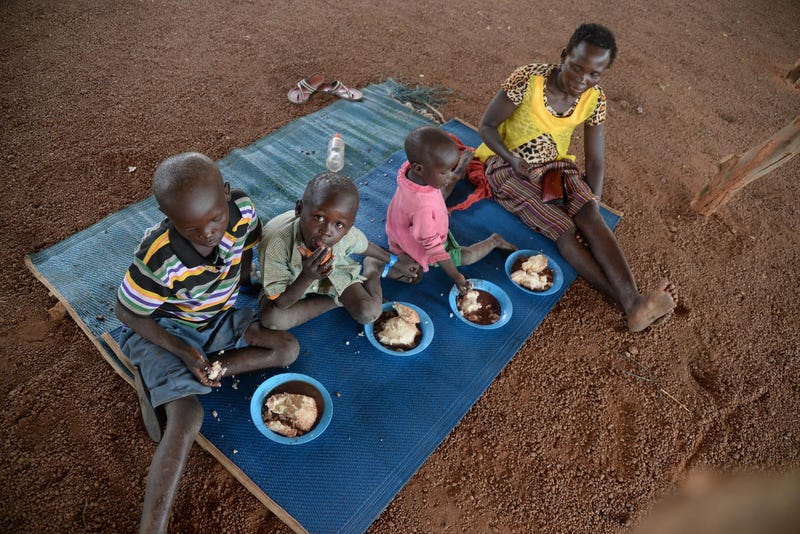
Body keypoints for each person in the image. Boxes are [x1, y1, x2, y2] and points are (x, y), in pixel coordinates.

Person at [115, 152, 299, 534]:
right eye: (191, 229)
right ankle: (152, 527)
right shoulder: (158, 256)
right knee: (189, 417)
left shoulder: (243, 210)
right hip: (166, 328)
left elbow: (249, 241)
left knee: (286, 349)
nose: (209, 233)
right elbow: (127, 313)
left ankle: (200, 371)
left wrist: (247, 281)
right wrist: (183, 350)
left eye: (216, 218)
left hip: (214, 318)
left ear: (227, 194)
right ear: (171, 222)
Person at [476, 22, 677, 332]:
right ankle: (630, 303)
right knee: (565, 229)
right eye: (576, 67)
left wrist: (592, 203)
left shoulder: (594, 99)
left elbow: (596, 159)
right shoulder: (527, 80)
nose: (582, 79)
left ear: (603, 75)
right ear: (563, 56)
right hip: (507, 165)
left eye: (594, 74)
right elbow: (487, 126)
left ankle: (635, 303)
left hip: (557, 166)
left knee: (589, 217)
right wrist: (510, 158)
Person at [258, 171, 420, 329]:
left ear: (349, 226)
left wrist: (395, 261)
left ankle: (373, 268)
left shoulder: (343, 235)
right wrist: (307, 277)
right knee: (271, 319)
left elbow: (364, 245)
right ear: (299, 209)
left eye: (339, 225)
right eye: (319, 217)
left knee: (369, 313)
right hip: (292, 285)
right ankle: (337, 300)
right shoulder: (277, 245)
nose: (327, 231)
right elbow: (281, 302)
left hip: (335, 272)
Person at [386, 126, 516, 293]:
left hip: (412, 227)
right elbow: (433, 247)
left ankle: (456, 173)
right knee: (465, 257)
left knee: (441, 191)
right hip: (418, 240)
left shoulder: (411, 173)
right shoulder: (421, 207)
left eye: (450, 170)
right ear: (418, 168)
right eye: (444, 172)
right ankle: (494, 241)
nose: (447, 176)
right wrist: (456, 276)